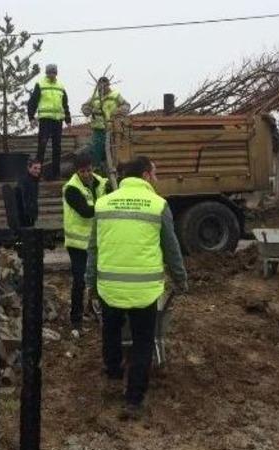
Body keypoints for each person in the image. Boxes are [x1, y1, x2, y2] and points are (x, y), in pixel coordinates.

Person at [85, 156, 187, 420]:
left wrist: (89, 282)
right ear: (144, 176)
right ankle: (134, 399)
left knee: (110, 330)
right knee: (143, 342)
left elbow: (93, 247)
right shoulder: (158, 205)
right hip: (144, 290)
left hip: (110, 286)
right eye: (154, 174)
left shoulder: (104, 203)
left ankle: (113, 372)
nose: (156, 179)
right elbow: (171, 248)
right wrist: (181, 279)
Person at [62, 152, 111, 338]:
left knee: (100, 278)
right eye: (83, 171)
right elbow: (85, 211)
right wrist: (107, 206)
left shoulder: (101, 182)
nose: (87, 174)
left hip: (97, 241)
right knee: (80, 281)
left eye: (89, 170)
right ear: (77, 171)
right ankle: (76, 318)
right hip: (77, 244)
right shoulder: (71, 189)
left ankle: (93, 310)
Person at [28, 64, 71, 180]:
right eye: (49, 73)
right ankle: (38, 173)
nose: (52, 75)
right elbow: (32, 101)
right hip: (45, 120)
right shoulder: (40, 84)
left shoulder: (60, 86)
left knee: (57, 147)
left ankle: (56, 174)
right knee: (42, 145)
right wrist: (31, 117)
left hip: (58, 120)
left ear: (56, 73)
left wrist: (68, 119)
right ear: (46, 73)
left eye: (53, 73)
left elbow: (65, 104)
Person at [81, 77, 130, 172]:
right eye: (100, 86)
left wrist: (119, 111)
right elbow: (85, 107)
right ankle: (96, 170)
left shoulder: (115, 95)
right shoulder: (94, 97)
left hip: (113, 129)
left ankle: (113, 170)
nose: (102, 88)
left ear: (108, 85)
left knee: (112, 151)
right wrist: (88, 110)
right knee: (97, 151)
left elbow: (126, 105)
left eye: (105, 85)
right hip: (98, 129)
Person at [15, 157, 42, 227]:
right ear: (29, 168)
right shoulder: (25, 181)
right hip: (25, 217)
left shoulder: (34, 180)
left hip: (30, 215)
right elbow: (23, 200)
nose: (38, 171)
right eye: (35, 168)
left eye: (39, 169)